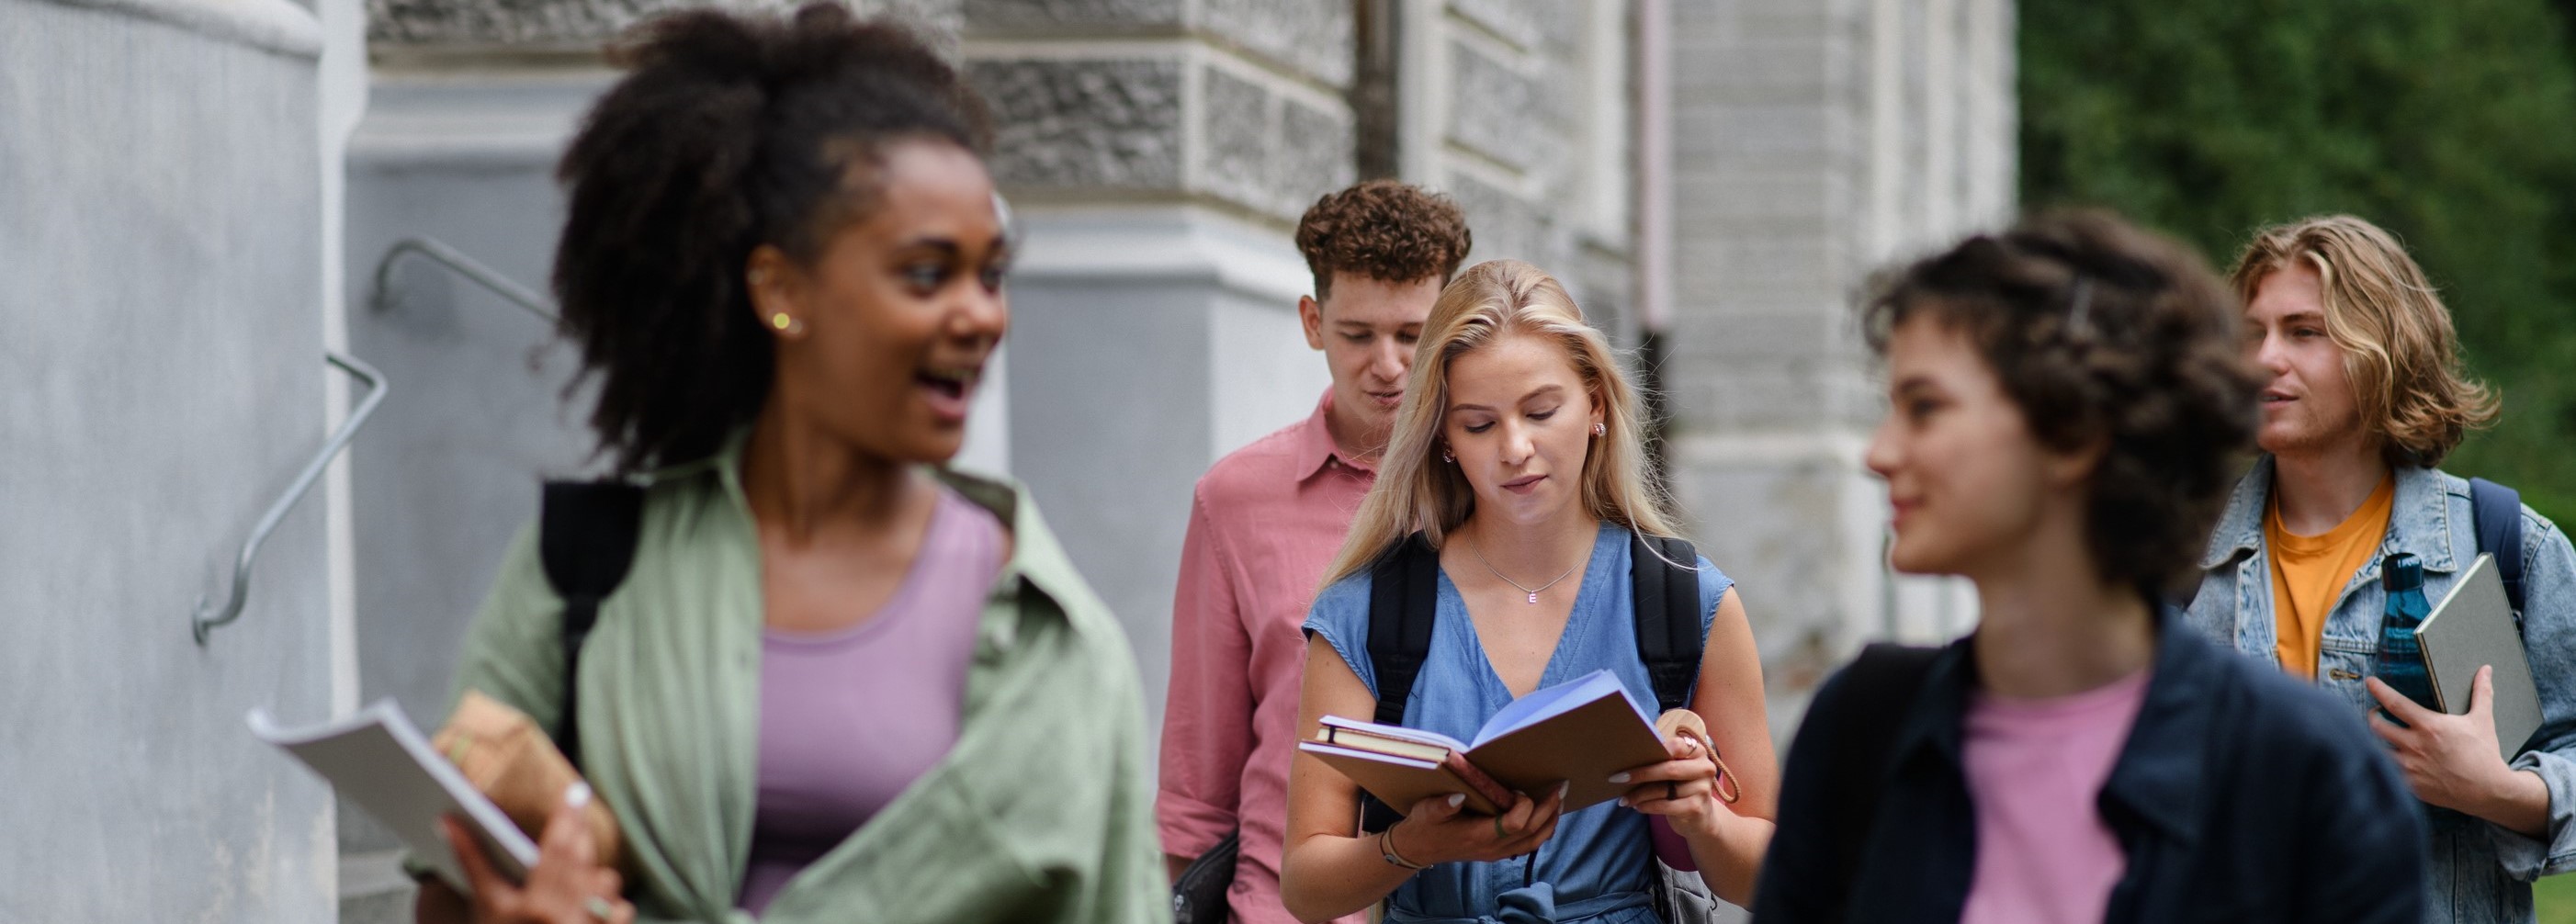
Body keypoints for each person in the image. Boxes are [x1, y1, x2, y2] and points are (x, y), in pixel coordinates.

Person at [412, 6, 1166, 922]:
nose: (981, 316)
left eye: (991, 273)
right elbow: (448, 886)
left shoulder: (1057, 643)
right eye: (928, 273)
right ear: (781, 291)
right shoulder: (590, 566)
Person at [1754, 211, 2426, 922]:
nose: (1880, 454)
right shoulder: (1864, 730)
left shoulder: (2303, 769)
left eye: (1925, 408)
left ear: (2072, 433)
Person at [1280, 260, 1777, 924]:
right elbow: (1305, 886)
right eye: (1478, 425)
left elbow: (1773, 873)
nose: (1515, 448)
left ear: (1596, 404)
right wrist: (1410, 845)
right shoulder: (1366, 612)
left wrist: (1703, 818)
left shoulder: (1691, 600)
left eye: (1542, 411)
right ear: (1445, 440)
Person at [2184, 214, 2576, 922]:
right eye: (2251, 335)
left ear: (2385, 349)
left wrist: (2497, 791)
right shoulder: (2175, 557)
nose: (2265, 358)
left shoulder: (2506, 548)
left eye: (2304, 332)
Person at [1157, 180, 1473, 924]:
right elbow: (1198, 777)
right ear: (1312, 321)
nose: (1389, 365)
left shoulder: (1502, 488)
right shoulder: (1235, 499)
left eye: (1413, 334)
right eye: (1358, 334)